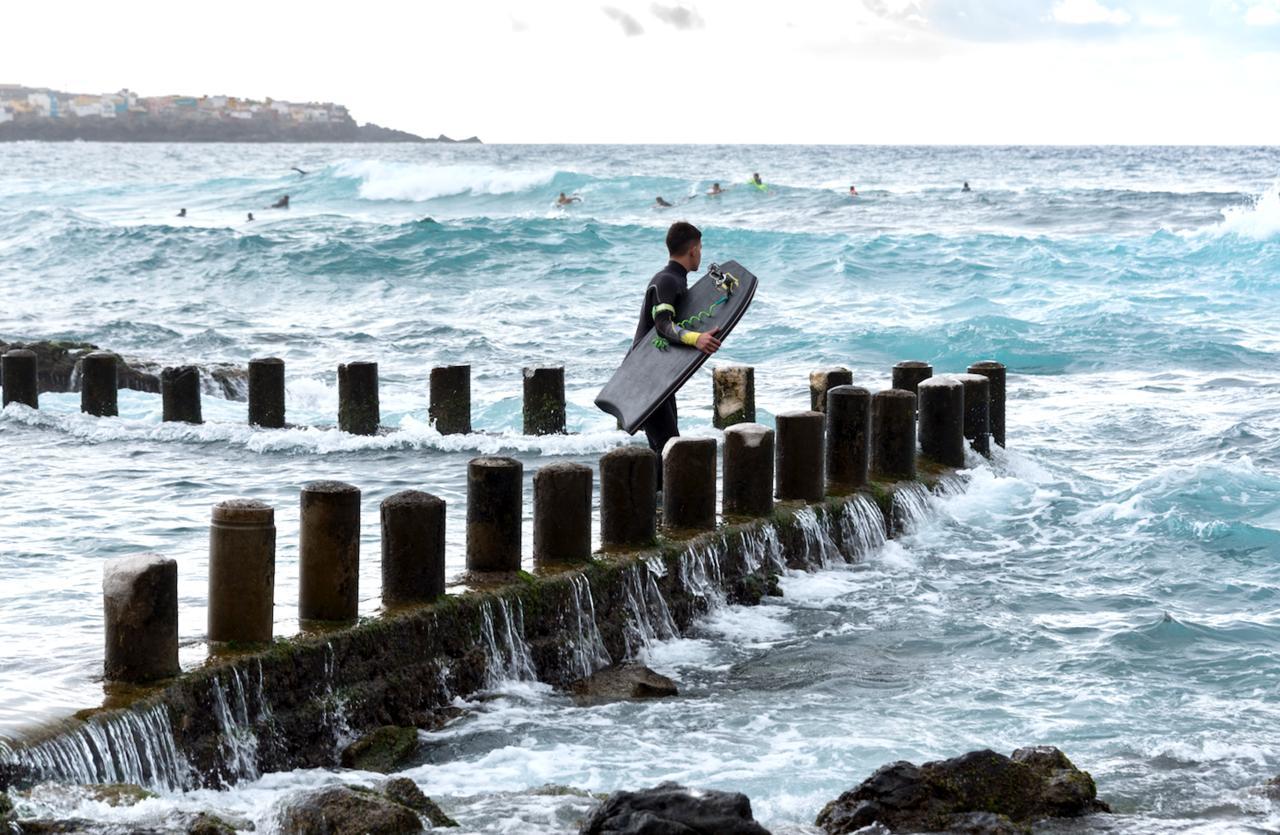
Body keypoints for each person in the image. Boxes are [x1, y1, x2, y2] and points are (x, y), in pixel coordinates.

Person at [630, 222, 721, 487]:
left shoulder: (675, 279)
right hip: (646, 376)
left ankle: (657, 512)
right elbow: (663, 325)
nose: (701, 254)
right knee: (668, 445)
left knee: (666, 445)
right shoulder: (667, 281)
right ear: (693, 250)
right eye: (700, 249)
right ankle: (661, 512)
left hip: (660, 375)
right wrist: (697, 339)